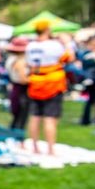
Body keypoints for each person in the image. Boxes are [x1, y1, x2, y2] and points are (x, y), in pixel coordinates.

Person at [25, 20, 75, 155]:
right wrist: (68, 43)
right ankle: (51, 149)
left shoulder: (30, 45)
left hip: (35, 81)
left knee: (35, 116)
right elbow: (69, 58)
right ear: (47, 30)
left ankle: (35, 147)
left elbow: (29, 64)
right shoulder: (54, 45)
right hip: (52, 83)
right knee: (50, 118)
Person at [5, 37, 30, 130]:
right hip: (22, 90)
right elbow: (23, 79)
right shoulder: (20, 61)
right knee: (21, 117)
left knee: (16, 117)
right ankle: (18, 138)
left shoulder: (11, 59)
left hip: (15, 88)